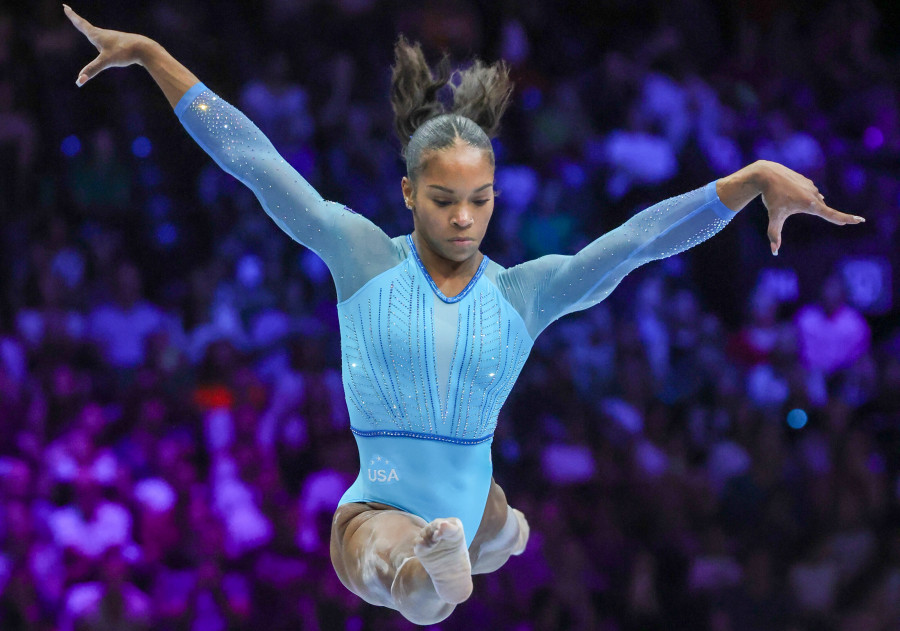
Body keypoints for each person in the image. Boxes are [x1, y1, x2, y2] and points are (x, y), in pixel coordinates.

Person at [63, 5, 865, 624]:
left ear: (494, 199)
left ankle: (493, 532)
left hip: (466, 492)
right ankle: (448, 556)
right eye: (443, 199)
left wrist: (753, 176)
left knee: (475, 533)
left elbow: (635, 242)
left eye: (478, 200)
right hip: (376, 501)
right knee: (392, 569)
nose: (461, 218)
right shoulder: (361, 254)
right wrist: (152, 55)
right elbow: (256, 164)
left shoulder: (523, 292)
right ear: (411, 193)